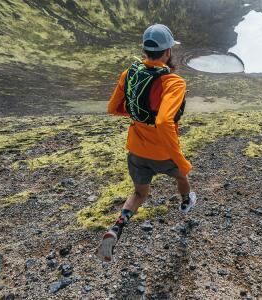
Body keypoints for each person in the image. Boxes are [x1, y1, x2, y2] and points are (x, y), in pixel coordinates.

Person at [97, 24, 196, 262]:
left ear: (144, 49)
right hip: (163, 153)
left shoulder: (129, 73)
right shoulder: (174, 83)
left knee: (140, 193)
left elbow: (113, 108)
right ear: (168, 52)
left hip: (136, 150)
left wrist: (139, 117)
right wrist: (180, 160)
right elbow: (163, 122)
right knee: (182, 176)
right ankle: (185, 203)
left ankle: (117, 229)